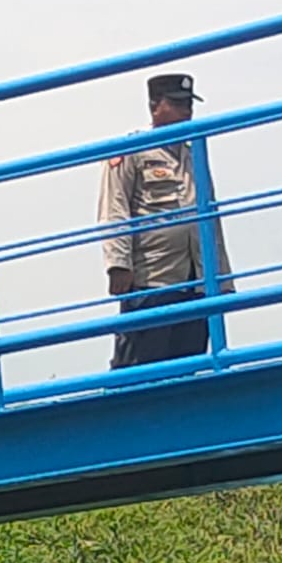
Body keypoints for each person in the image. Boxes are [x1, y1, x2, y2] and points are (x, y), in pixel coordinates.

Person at [97, 72, 233, 370]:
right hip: (152, 280)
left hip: (195, 280)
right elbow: (114, 209)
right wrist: (118, 264)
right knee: (139, 368)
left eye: (189, 104)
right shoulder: (131, 151)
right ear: (154, 106)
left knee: (188, 367)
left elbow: (210, 216)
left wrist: (222, 277)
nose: (187, 111)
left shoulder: (194, 154)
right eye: (178, 103)